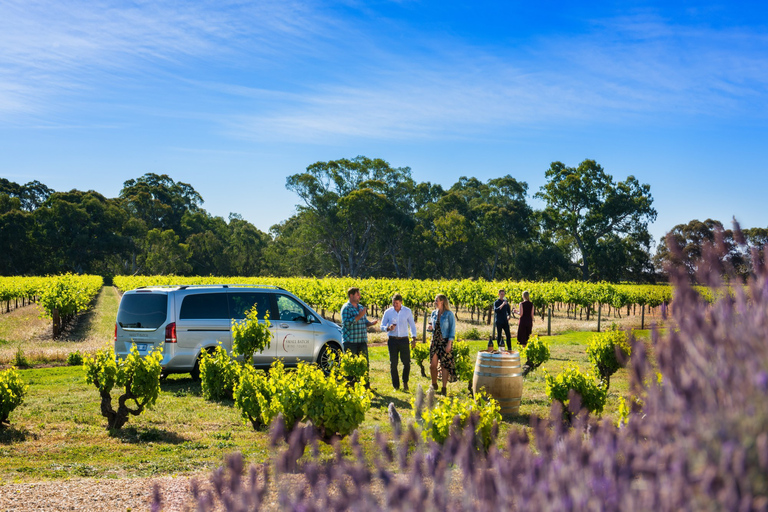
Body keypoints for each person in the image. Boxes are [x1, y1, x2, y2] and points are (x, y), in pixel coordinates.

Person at [341, 287, 378, 388]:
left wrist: (370, 323)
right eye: (358, 294)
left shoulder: (360, 307)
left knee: (364, 365)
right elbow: (347, 324)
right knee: (350, 366)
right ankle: (349, 387)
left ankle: (365, 387)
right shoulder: (346, 308)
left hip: (361, 341)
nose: (360, 296)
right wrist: (360, 315)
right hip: (350, 342)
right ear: (351, 295)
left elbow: (363, 322)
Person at [380, 293, 419, 392]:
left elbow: (412, 326)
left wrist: (414, 338)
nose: (395, 305)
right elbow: (382, 326)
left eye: (397, 303)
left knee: (406, 363)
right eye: (393, 303)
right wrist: (388, 328)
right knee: (393, 363)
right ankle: (396, 386)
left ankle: (405, 382)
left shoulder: (407, 311)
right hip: (392, 340)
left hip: (404, 340)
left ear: (401, 302)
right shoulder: (388, 312)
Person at [427, 293, 457, 396]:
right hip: (435, 341)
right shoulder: (434, 313)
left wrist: (449, 343)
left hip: (444, 342)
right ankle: (434, 383)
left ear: (442, 302)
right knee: (432, 365)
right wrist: (429, 328)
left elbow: (452, 330)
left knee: (445, 366)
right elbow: (431, 326)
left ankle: (444, 388)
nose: (435, 302)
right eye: (435, 300)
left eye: (437, 300)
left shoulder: (449, 314)